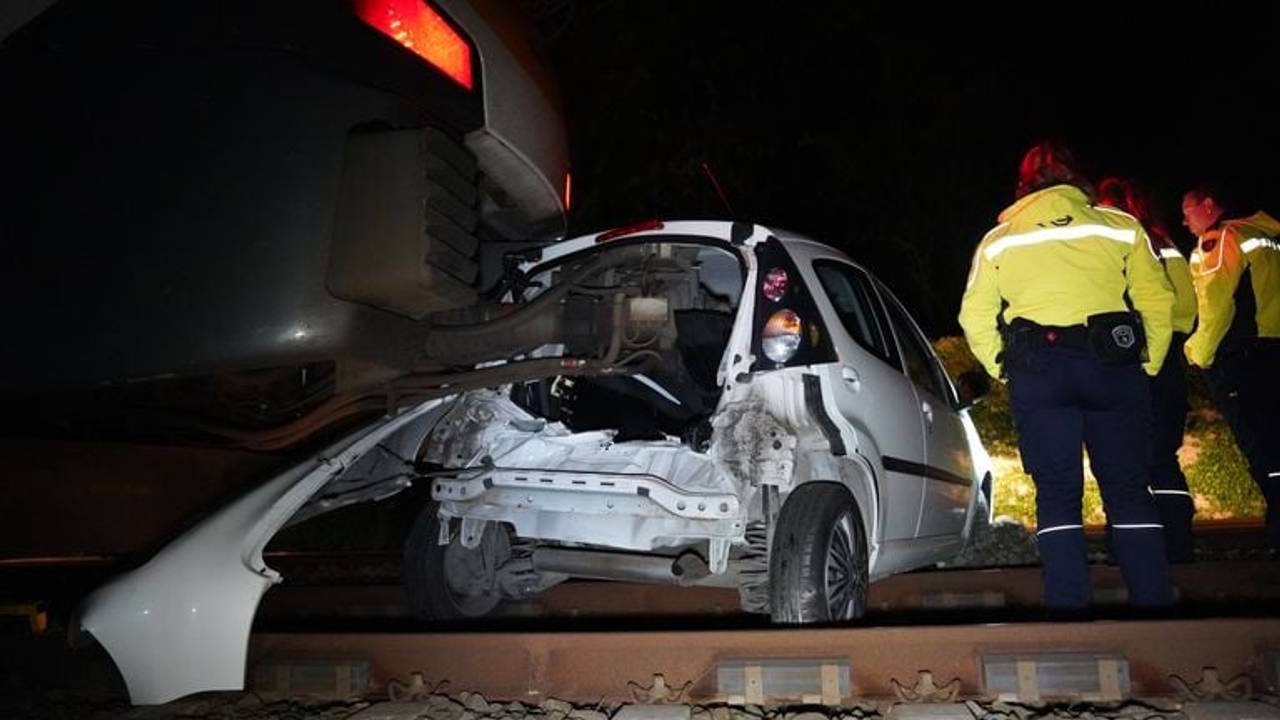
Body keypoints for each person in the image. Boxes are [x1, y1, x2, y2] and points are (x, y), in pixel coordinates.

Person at [959, 141, 1176, 610]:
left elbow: (974, 316)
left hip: (1038, 369)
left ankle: (1069, 611)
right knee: (1127, 488)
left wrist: (1002, 366)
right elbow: (1158, 300)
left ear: (1025, 186)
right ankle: (1155, 609)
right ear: (1078, 177)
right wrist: (1151, 360)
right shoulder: (1119, 226)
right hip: (1113, 367)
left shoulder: (1000, 239)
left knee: (1056, 491)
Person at [1097, 177, 1197, 562]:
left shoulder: (1116, 247)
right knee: (1162, 455)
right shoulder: (1167, 248)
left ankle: (1126, 545)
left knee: (1120, 455)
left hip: (1125, 355)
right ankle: (1178, 542)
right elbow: (1186, 310)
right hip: (1168, 356)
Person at [1180, 186, 1280, 548]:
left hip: (1242, 354)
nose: (1184, 220)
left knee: (1260, 444)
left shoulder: (1224, 238)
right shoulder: (1268, 233)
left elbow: (1216, 302)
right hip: (1272, 345)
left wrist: (1198, 353)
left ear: (1209, 205)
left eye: (1188, 210)